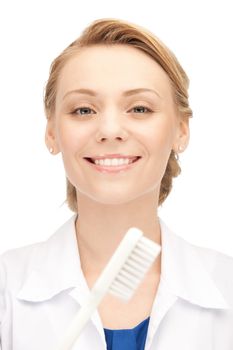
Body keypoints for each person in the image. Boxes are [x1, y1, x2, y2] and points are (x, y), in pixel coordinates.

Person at [0, 18, 233, 350]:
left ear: (181, 130)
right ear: (52, 132)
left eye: (139, 108)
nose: (110, 129)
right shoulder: (6, 290)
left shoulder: (228, 287)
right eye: (83, 110)